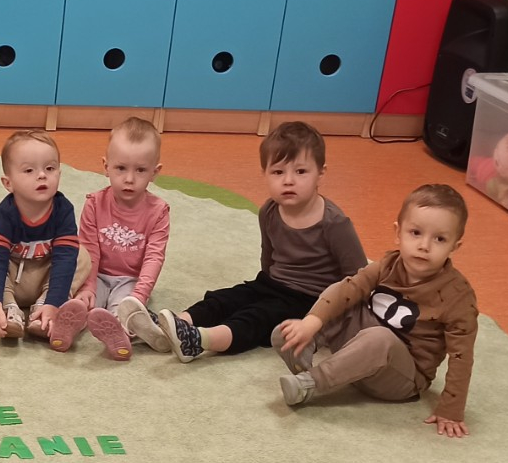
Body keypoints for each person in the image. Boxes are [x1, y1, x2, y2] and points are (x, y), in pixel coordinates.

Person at [274, 184, 477, 436]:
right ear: (398, 233)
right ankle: (303, 346)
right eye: (415, 233)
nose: (424, 245)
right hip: (360, 349)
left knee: (380, 338)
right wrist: (312, 321)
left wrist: (451, 409)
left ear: (455, 246)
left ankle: (311, 383)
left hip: (402, 377)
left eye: (440, 239)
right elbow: (348, 288)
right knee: (346, 297)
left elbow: (461, 356)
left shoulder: (458, 297)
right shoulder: (389, 264)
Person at [153, 121, 365, 361]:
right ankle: (172, 325)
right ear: (264, 173)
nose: (288, 180)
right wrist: (261, 288)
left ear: (320, 173)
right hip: (271, 283)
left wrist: (328, 316)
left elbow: (359, 277)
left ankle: (199, 340)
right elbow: (268, 256)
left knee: (256, 317)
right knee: (225, 298)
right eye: (278, 172)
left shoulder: (334, 223)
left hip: (309, 299)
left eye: (300, 172)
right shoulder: (269, 211)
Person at [57, 117, 171, 360]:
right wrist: (87, 287)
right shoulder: (94, 203)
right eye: (121, 168)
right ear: (106, 166)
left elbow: (154, 257)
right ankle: (70, 325)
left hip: (130, 279)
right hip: (97, 274)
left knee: (123, 309)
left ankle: (119, 333)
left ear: (155, 172)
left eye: (140, 170)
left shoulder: (159, 211)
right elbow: (88, 249)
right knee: (81, 300)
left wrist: (139, 296)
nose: (129, 178)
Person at [0, 129, 91, 349]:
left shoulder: (63, 209)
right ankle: (9, 311)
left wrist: (53, 302)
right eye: (29, 170)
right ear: (8, 183)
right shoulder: (5, 213)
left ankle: (43, 310)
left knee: (81, 255)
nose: (42, 175)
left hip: (46, 280)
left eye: (50, 168)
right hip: (13, 282)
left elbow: (65, 260)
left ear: (59, 173)